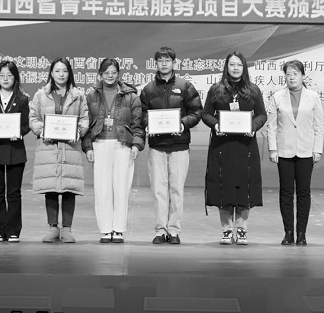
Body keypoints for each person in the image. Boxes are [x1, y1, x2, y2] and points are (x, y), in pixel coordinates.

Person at [201, 52, 267, 246]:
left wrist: (253, 126)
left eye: (239, 64)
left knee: (245, 186)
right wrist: (216, 124)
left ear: (244, 67)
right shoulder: (216, 89)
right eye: (232, 64)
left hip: (246, 145)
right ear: (226, 67)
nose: (235, 68)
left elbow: (261, 114)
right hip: (222, 145)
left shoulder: (253, 90)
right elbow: (206, 114)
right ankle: (227, 229)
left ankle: (242, 228)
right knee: (224, 185)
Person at [140, 46, 203, 245]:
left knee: (176, 189)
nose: (164, 63)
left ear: (174, 63)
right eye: (161, 60)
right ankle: (161, 230)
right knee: (159, 190)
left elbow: (196, 112)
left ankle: (174, 230)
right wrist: (148, 124)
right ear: (156, 63)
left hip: (179, 146)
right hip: (157, 146)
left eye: (168, 60)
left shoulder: (185, 86)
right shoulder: (148, 89)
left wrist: (182, 124)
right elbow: (141, 114)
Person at [83, 58, 144, 244]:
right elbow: (85, 124)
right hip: (100, 144)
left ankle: (118, 229)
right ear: (100, 75)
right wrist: (88, 147)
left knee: (121, 188)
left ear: (119, 74)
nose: (110, 76)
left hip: (123, 145)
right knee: (102, 189)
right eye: (106, 73)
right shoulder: (91, 95)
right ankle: (105, 229)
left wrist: (136, 144)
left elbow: (138, 124)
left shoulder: (131, 96)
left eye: (113, 72)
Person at [30, 57, 89, 243]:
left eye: (64, 71)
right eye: (57, 71)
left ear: (69, 73)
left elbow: (84, 119)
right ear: (51, 73)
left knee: (69, 187)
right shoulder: (40, 95)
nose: (61, 74)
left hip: (70, 148)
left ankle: (67, 229)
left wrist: (77, 133)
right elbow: (33, 118)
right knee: (51, 188)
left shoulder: (79, 95)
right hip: (48, 148)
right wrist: (43, 131)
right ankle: (53, 228)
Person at [266, 60, 324, 246]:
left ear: (303, 76)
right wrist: (273, 149)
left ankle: (302, 233)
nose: (291, 77)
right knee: (286, 192)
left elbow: (319, 125)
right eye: (288, 74)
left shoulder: (313, 97)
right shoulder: (277, 97)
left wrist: (317, 149)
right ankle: (288, 232)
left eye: (295, 74)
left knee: (304, 192)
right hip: (284, 150)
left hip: (306, 150)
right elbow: (271, 126)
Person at [0, 60, 30, 243]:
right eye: (2, 75)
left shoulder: (22, 99)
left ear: (15, 78)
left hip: (15, 150)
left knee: (14, 193)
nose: (5, 79)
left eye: (9, 75)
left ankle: (13, 231)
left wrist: (19, 132)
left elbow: (26, 124)